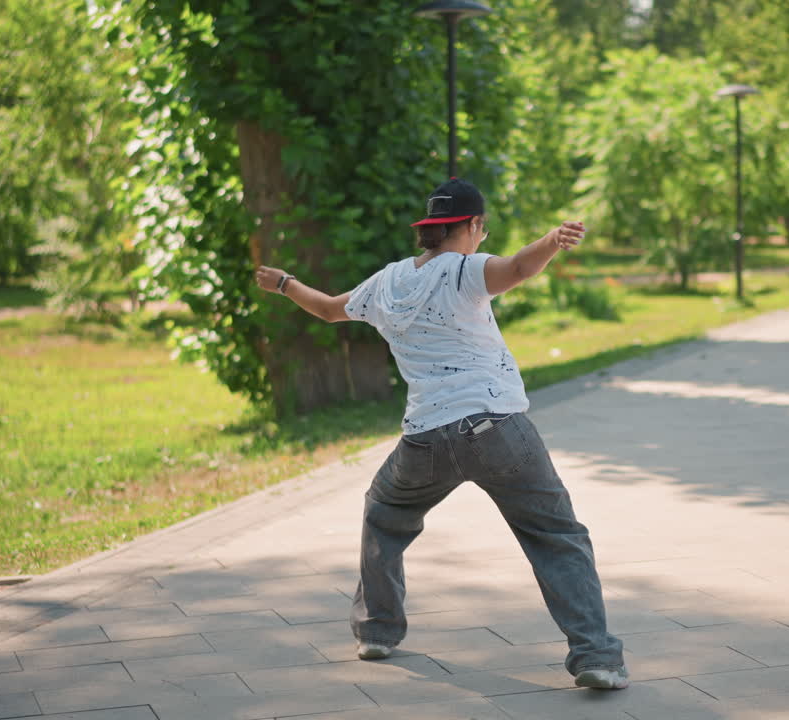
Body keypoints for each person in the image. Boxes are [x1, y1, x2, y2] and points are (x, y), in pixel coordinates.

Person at [253, 178, 628, 690]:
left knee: (384, 515)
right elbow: (518, 267)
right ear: (472, 226)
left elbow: (326, 308)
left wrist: (283, 283)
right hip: (497, 427)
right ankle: (597, 657)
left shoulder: (385, 283)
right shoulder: (466, 270)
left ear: (430, 228)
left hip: (426, 439)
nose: (482, 237)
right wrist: (550, 241)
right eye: (482, 229)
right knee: (557, 535)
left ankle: (377, 631)